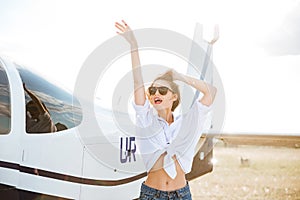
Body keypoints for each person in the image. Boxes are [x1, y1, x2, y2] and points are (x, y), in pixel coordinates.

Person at [115, 20, 217, 200]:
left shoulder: (188, 121)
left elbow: (211, 92)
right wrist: (134, 45)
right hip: (152, 194)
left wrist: (181, 78)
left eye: (163, 90)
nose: (156, 93)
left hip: (181, 194)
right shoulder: (145, 119)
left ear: (174, 97)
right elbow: (138, 81)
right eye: (153, 90)